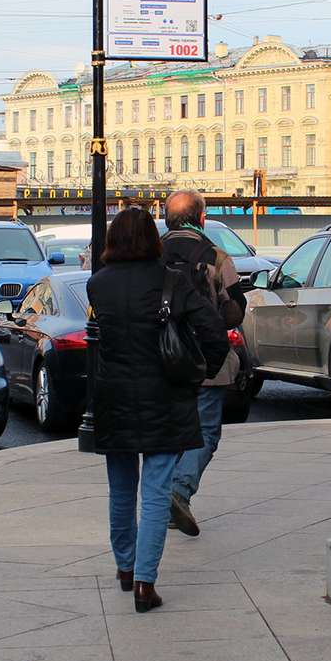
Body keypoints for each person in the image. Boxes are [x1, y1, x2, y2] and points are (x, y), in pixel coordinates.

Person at [87, 207, 229, 613]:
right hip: (165, 397)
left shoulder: (98, 285)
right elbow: (214, 331)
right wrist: (205, 371)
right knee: (155, 493)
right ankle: (145, 586)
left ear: (114, 240)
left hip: (114, 398)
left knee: (120, 490)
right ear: (153, 239)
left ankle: (125, 569)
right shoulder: (172, 281)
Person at [160, 191, 246, 538]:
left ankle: (163, 498)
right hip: (205, 360)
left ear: (167, 219)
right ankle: (179, 491)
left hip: (162, 360)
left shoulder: (152, 254)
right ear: (201, 219)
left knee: (169, 433)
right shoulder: (215, 256)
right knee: (206, 431)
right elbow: (234, 310)